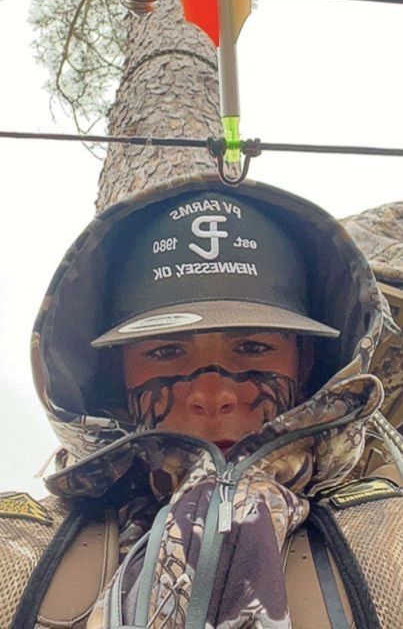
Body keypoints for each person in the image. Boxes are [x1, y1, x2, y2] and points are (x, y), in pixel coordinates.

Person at [1, 175, 402, 628]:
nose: (213, 397)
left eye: (252, 349)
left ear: (305, 364)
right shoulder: (15, 556)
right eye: (165, 352)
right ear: (116, 375)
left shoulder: (392, 546)